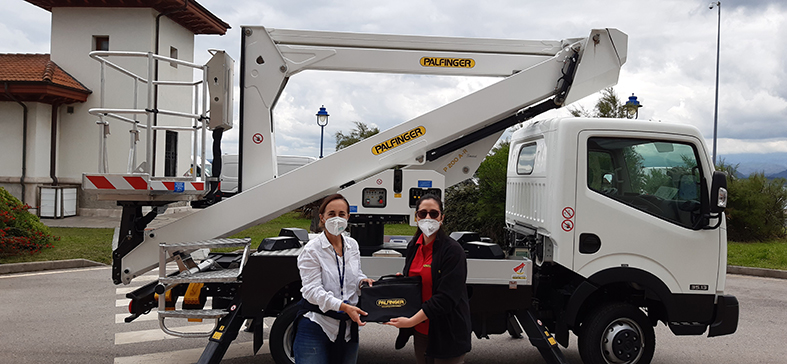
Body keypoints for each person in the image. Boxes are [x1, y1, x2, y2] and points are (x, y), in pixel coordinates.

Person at [386, 194, 472, 364]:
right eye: (423, 213)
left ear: (442, 218)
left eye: (434, 214)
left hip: (447, 331)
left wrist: (410, 321)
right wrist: (403, 283)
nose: (428, 218)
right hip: (422, 331)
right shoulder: (413, 246)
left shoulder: (453, 251)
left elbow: (446, 298)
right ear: (415, 217)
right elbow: (417, 281)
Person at [294, 193, 374, 364]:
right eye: (331, 214)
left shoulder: (352, 245)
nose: (336, 219)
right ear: (322, 218)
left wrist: (362, 282)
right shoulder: (312, 250)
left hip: (347, 328)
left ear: (348, 217)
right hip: (317, 325)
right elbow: (311, 291)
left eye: (341, 214)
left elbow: (356, 274)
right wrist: (343, 307)